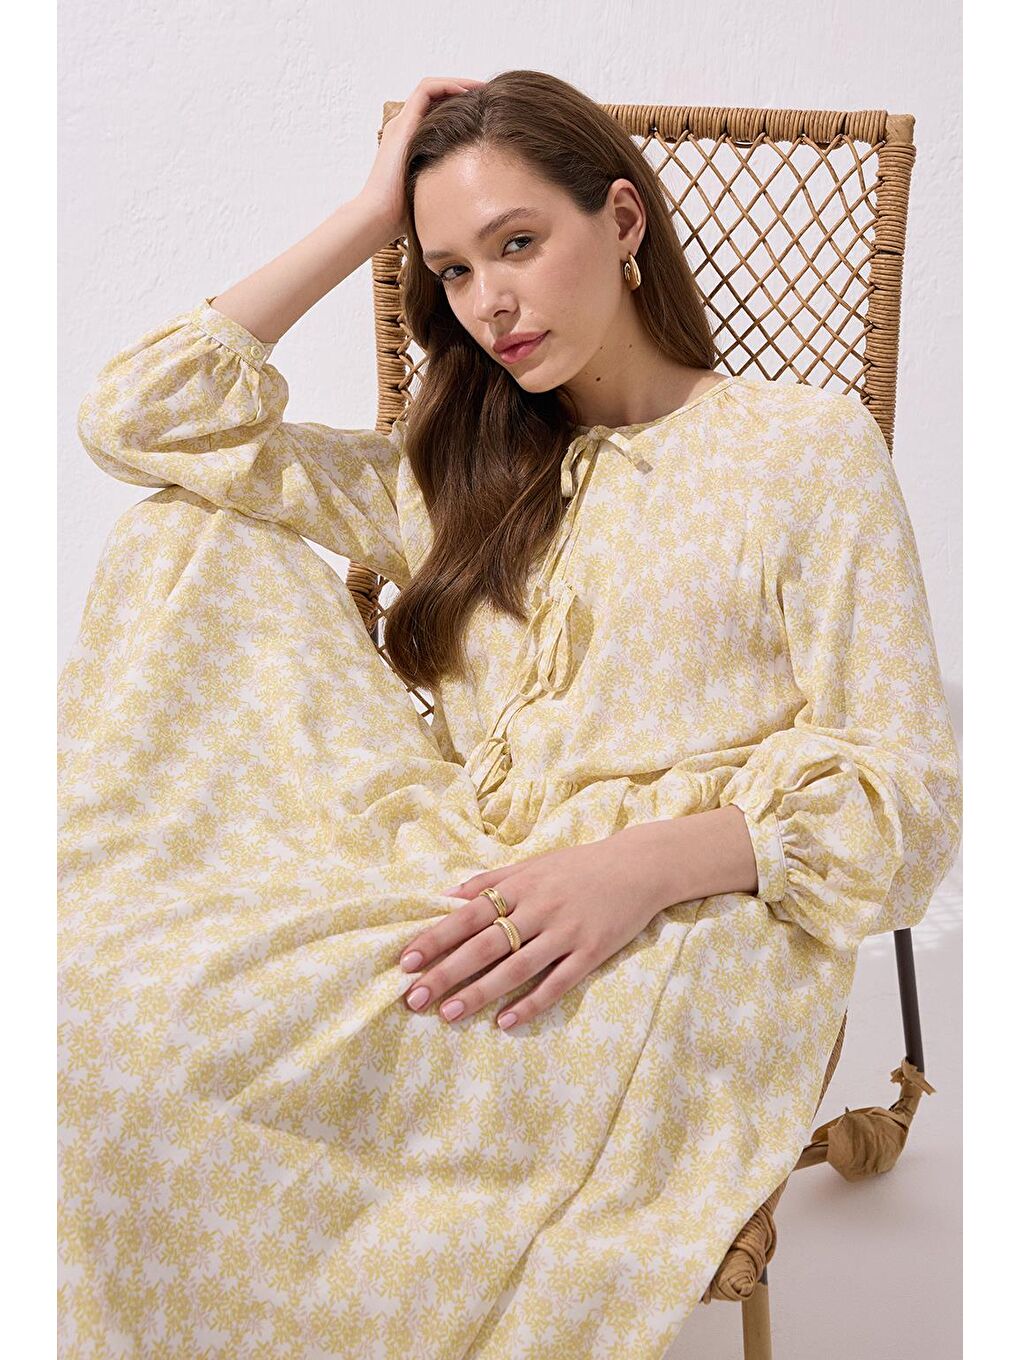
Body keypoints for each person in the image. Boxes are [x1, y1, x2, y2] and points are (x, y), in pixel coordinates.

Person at [59, 68, 963, 1358]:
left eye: (520, 243)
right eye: (453, 271)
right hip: (448, 867)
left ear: (624, 220)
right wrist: (368, 217)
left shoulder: (802, 450)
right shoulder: (457, 479)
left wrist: (640, 866)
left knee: (178, 1046)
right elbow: (143, 421)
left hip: (673, 921)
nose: (489, 301)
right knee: (183, 534)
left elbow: (909, 798)